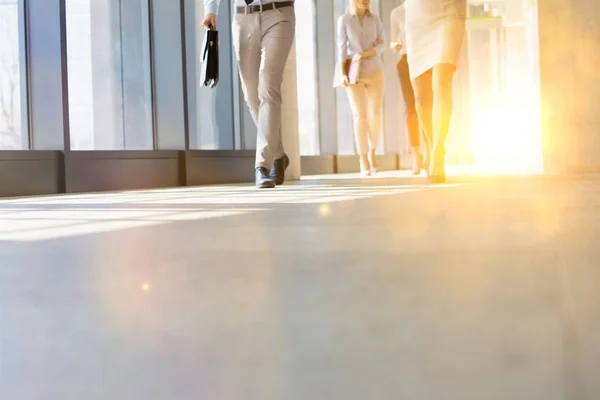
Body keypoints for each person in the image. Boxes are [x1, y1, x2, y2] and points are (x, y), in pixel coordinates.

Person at [202, 0, 296, 189]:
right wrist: (211, 10)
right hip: (243, 17)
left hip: (279, 12)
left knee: (268, 86)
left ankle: (262, 166)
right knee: (251, 95)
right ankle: (277, 154)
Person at [404, 0, 466, 183]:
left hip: (449, 11)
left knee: (442, 84)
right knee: (421, 98)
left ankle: (438, 153)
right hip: (417, 18)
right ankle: (432, 144)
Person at [336, 0, 385, 176]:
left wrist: (364, 54)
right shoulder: (345, 20)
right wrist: (343, 73)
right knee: (359, 116)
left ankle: (372, 150)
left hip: (374, 69)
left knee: (374, 115)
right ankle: (362, 157)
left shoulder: (376, 20)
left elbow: (382, 44)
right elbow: (341, 49)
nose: (365, 0)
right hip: (353, 71)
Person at [391, 1, 423, 175]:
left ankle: (432, 152)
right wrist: (395, 45)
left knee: (427, 106)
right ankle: (417, 156)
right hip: (405, 61)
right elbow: (392, 41)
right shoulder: (397, 13)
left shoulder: (425, 7)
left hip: (425, 59)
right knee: (411, 109)